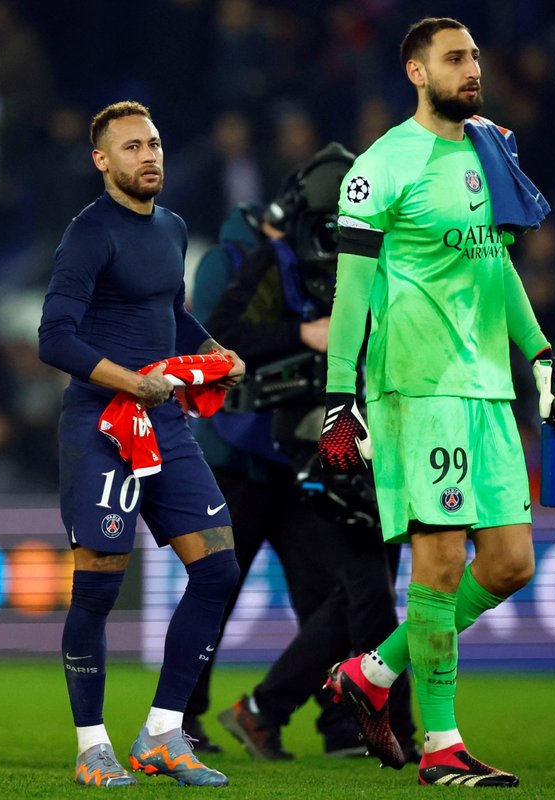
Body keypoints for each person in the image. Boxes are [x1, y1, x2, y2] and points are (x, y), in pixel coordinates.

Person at [317, 18, 555, 788]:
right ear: (415, 70)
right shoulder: (379, 168)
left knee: (508, 565)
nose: (472, 70)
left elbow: (494, 266)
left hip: (485, 388)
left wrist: (540, 360)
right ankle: (441, 747)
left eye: (475, 58)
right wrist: (342, 398)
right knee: (436, 566)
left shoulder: (492, 145)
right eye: (456, 58)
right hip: (416, 386)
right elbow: (351, 294)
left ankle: (370, 674)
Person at [183, 146, 418, 762]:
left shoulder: (322, 263)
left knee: (329, 594)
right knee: (218, 590)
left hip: (301, 458)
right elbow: (216, 343)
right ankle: (180, 719)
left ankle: (337, 723)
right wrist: (303, 334)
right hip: (237, 461)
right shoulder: (240, 262)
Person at [38, 100, 245, 788]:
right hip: (102, 427)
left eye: (153, 143)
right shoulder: (89, 234)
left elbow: (171, 314)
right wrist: (129, 380)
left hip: (163, 423)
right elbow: (55, 336)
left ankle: (163, 732)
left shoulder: (174, 228)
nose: (148, 156)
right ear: (103, 161)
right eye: (131, 147)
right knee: (97, 590)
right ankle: (91, 747)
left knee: (217, 569)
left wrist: (214, 352)